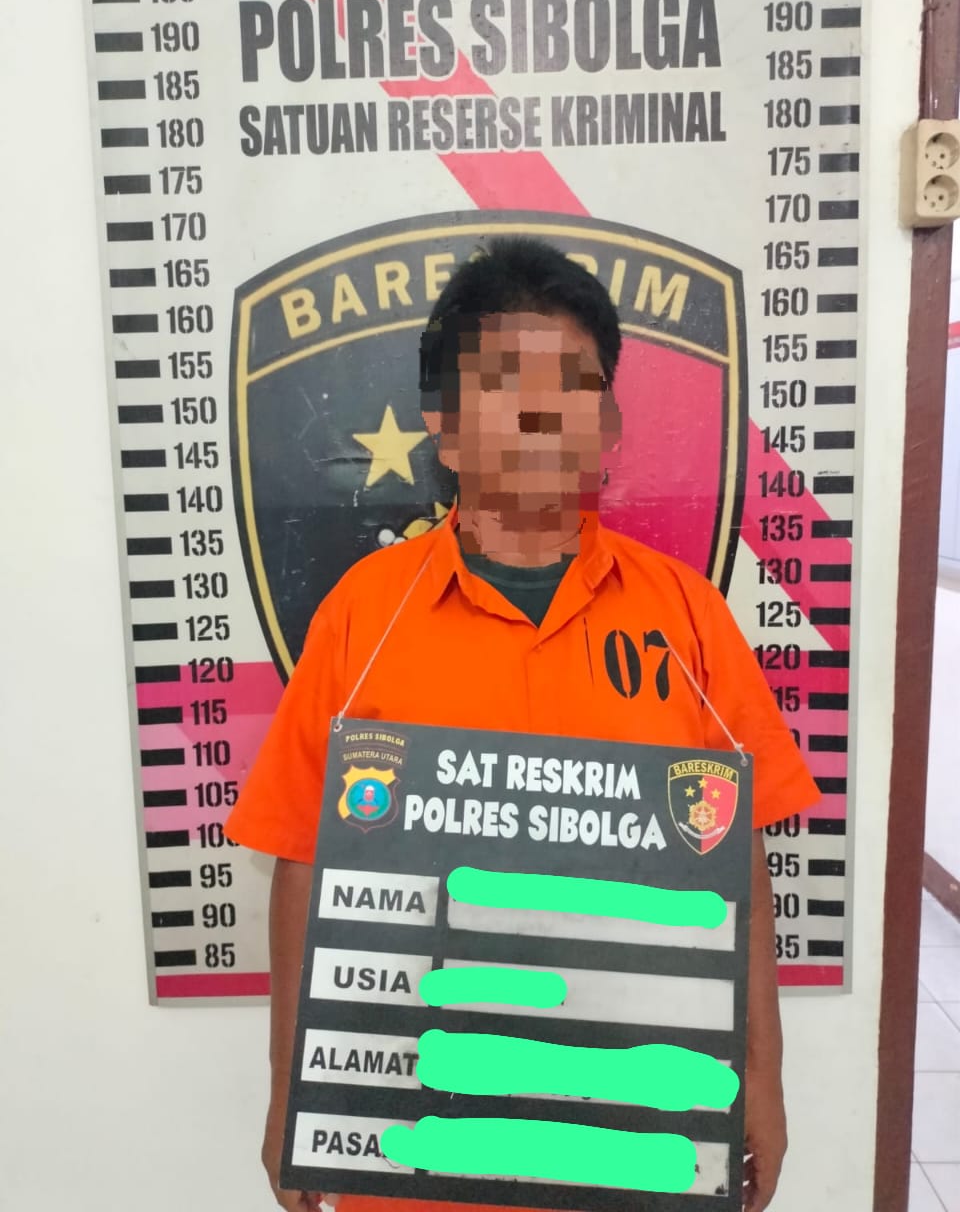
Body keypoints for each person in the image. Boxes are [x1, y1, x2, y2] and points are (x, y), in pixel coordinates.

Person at [225, 236, 821, 1212]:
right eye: (504, 379)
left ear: (609, 424)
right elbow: (302, 859)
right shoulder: (361, 618)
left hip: (635, 1139)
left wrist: (764, 1076)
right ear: (444, 423)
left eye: (574, 382)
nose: (541, 410)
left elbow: (736, 853)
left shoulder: (688, 617)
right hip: (418, 1149)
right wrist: (294, 1092)